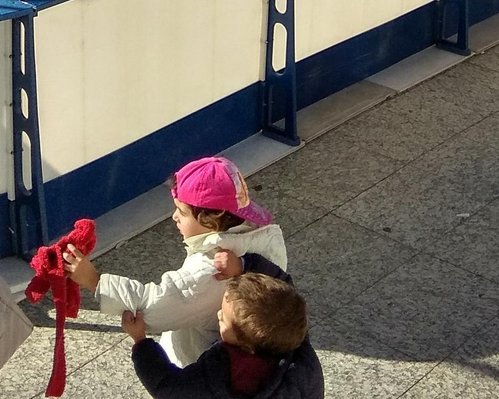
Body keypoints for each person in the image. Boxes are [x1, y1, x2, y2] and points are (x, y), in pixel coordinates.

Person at [63, 156, 288, 368]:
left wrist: (93, 280)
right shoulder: (264, 238)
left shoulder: (211, 270)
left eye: (182, 211)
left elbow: (154, 304)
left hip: (202, 366)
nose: (174, 217)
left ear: (212, 218)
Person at [122, 261, 322, 399]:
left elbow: (167, 386)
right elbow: (283, 286)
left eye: (224, 319)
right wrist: (243, 264)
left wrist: (141, 342)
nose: (218, 314)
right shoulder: (295, 341)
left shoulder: (217, 378)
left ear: (246, 345)